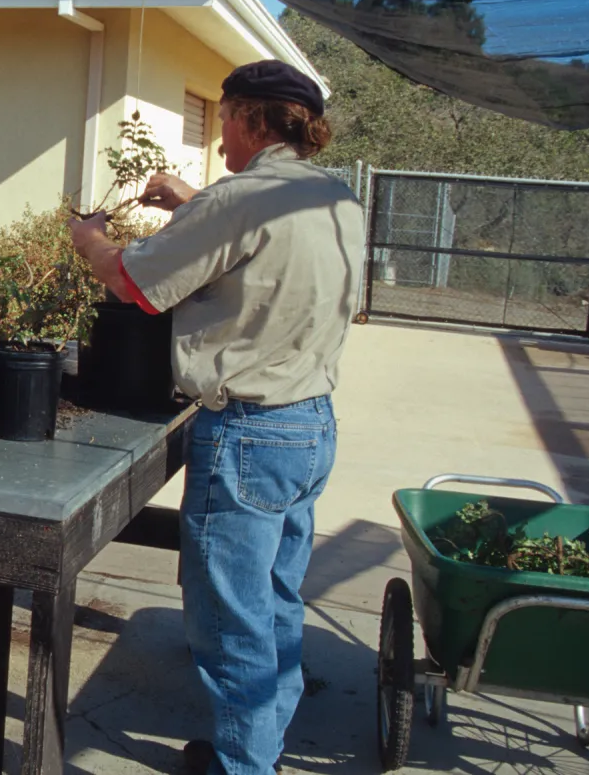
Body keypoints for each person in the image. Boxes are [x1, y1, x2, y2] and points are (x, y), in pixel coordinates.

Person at [68, 60, 365, 775]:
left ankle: (244, 765)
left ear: (254, 119)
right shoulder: (335, 197)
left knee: (231, 623)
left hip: (250, 437)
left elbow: (136, 284)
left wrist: (90, 241)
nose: (221, 133)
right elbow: (263, 247)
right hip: (311, 424)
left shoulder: (239, 198)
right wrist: (193, 203)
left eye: (226, 117)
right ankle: (256, 741)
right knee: (275, 598)